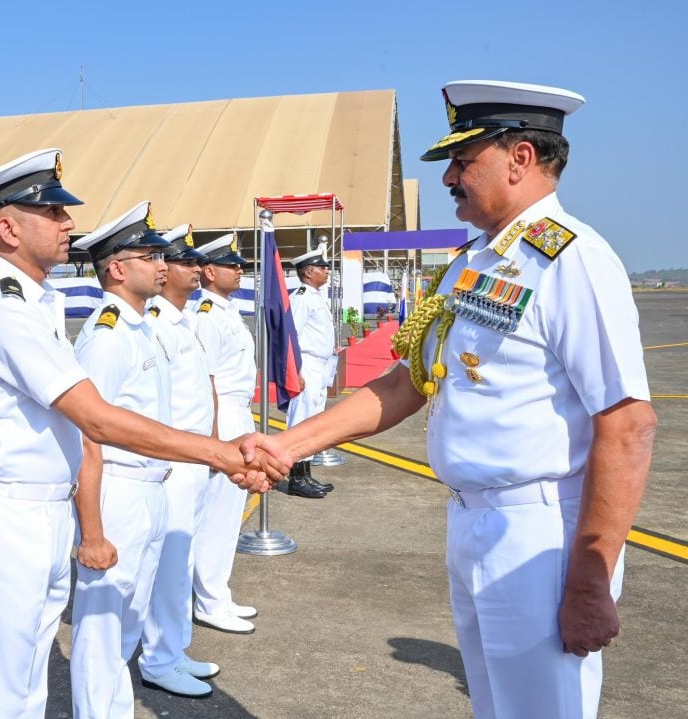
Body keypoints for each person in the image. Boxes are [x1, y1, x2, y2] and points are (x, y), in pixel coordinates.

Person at [278, 80, 656, 719]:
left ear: (521, 159)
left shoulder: (571, 261)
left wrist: (591, 581)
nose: (451, 177)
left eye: (464, 159)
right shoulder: (475, 261)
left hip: (541, 534)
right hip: (474, 522)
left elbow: (627, 425)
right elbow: (407, 383)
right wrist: (286, 445)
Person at [0, 150, 290, 718]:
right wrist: (220, 454)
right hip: (8, 517)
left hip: (46, 512)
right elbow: (97, 420)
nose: (69, 223)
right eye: (52, 213)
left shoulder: (37, 304)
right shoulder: (2, 309)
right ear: (7, 227)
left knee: (29, 688)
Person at [69, 201, 179, 716]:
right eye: (149, 254)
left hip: (149, 489)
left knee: (128, 625)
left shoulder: (140, 326)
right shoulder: (107, 335)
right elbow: (87, 433)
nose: (163, 263)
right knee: (101, 630)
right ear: (116, 267)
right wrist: (91, 532)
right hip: (118, 492)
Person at [138, 224, 221, 698]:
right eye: (186, 262)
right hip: (171, 461)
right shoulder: (154, 323)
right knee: (167, 564)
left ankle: (174, 647)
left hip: (192, 457)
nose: (195, 269)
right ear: (163, 269)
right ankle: (158, 658)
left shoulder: (186, 320)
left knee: (180, 560)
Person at [190, 234, 261, 634]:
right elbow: (209, 381)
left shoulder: (226, 309)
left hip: (237, 412)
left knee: (228, 513)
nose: (239, 270)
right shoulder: (206, 314)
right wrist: (215, 443)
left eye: (240, 265)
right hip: (223, 417)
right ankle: (209, 600)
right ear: (209, 271)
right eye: (231, 265)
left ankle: (217, 591)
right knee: (215, 513)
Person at [282, 248, 338, 498]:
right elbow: (290, 335)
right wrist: (296, 371)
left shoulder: (315, 296)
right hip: (306, 364)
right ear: (307, 272)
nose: (326, 270)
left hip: (320, 365)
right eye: (322, 266)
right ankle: (296, 477)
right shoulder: (302, 297)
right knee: (301, 420)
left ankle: (305, 475)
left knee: (312, 419)